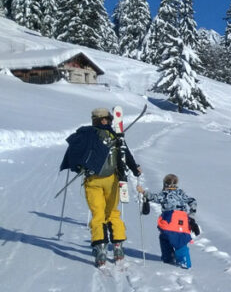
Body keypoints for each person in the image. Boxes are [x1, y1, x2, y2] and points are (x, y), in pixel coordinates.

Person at [59, 108, 142, 267]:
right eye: (106, 119)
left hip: (92, 180)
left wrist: (74, 165)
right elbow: (125, 154)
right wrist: (134, 168)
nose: (106, 122)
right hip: (111, 180)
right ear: (107, 120)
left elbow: (73, 150)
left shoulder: (86, 133)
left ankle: (101, 247)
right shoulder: (115, 136)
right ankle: (118, 246)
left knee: (98, 215)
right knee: (112, 213)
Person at [136, 174, 197, 269]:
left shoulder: (164, 194)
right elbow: (193, 201)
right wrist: (191, 215)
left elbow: (153, 197)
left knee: (164, 239)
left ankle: (168, 257)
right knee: (180, 241)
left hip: (168, 223)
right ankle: (183, 260)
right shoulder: (181, 194)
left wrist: (143, 192)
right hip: (182, 223)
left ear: (165, 183)